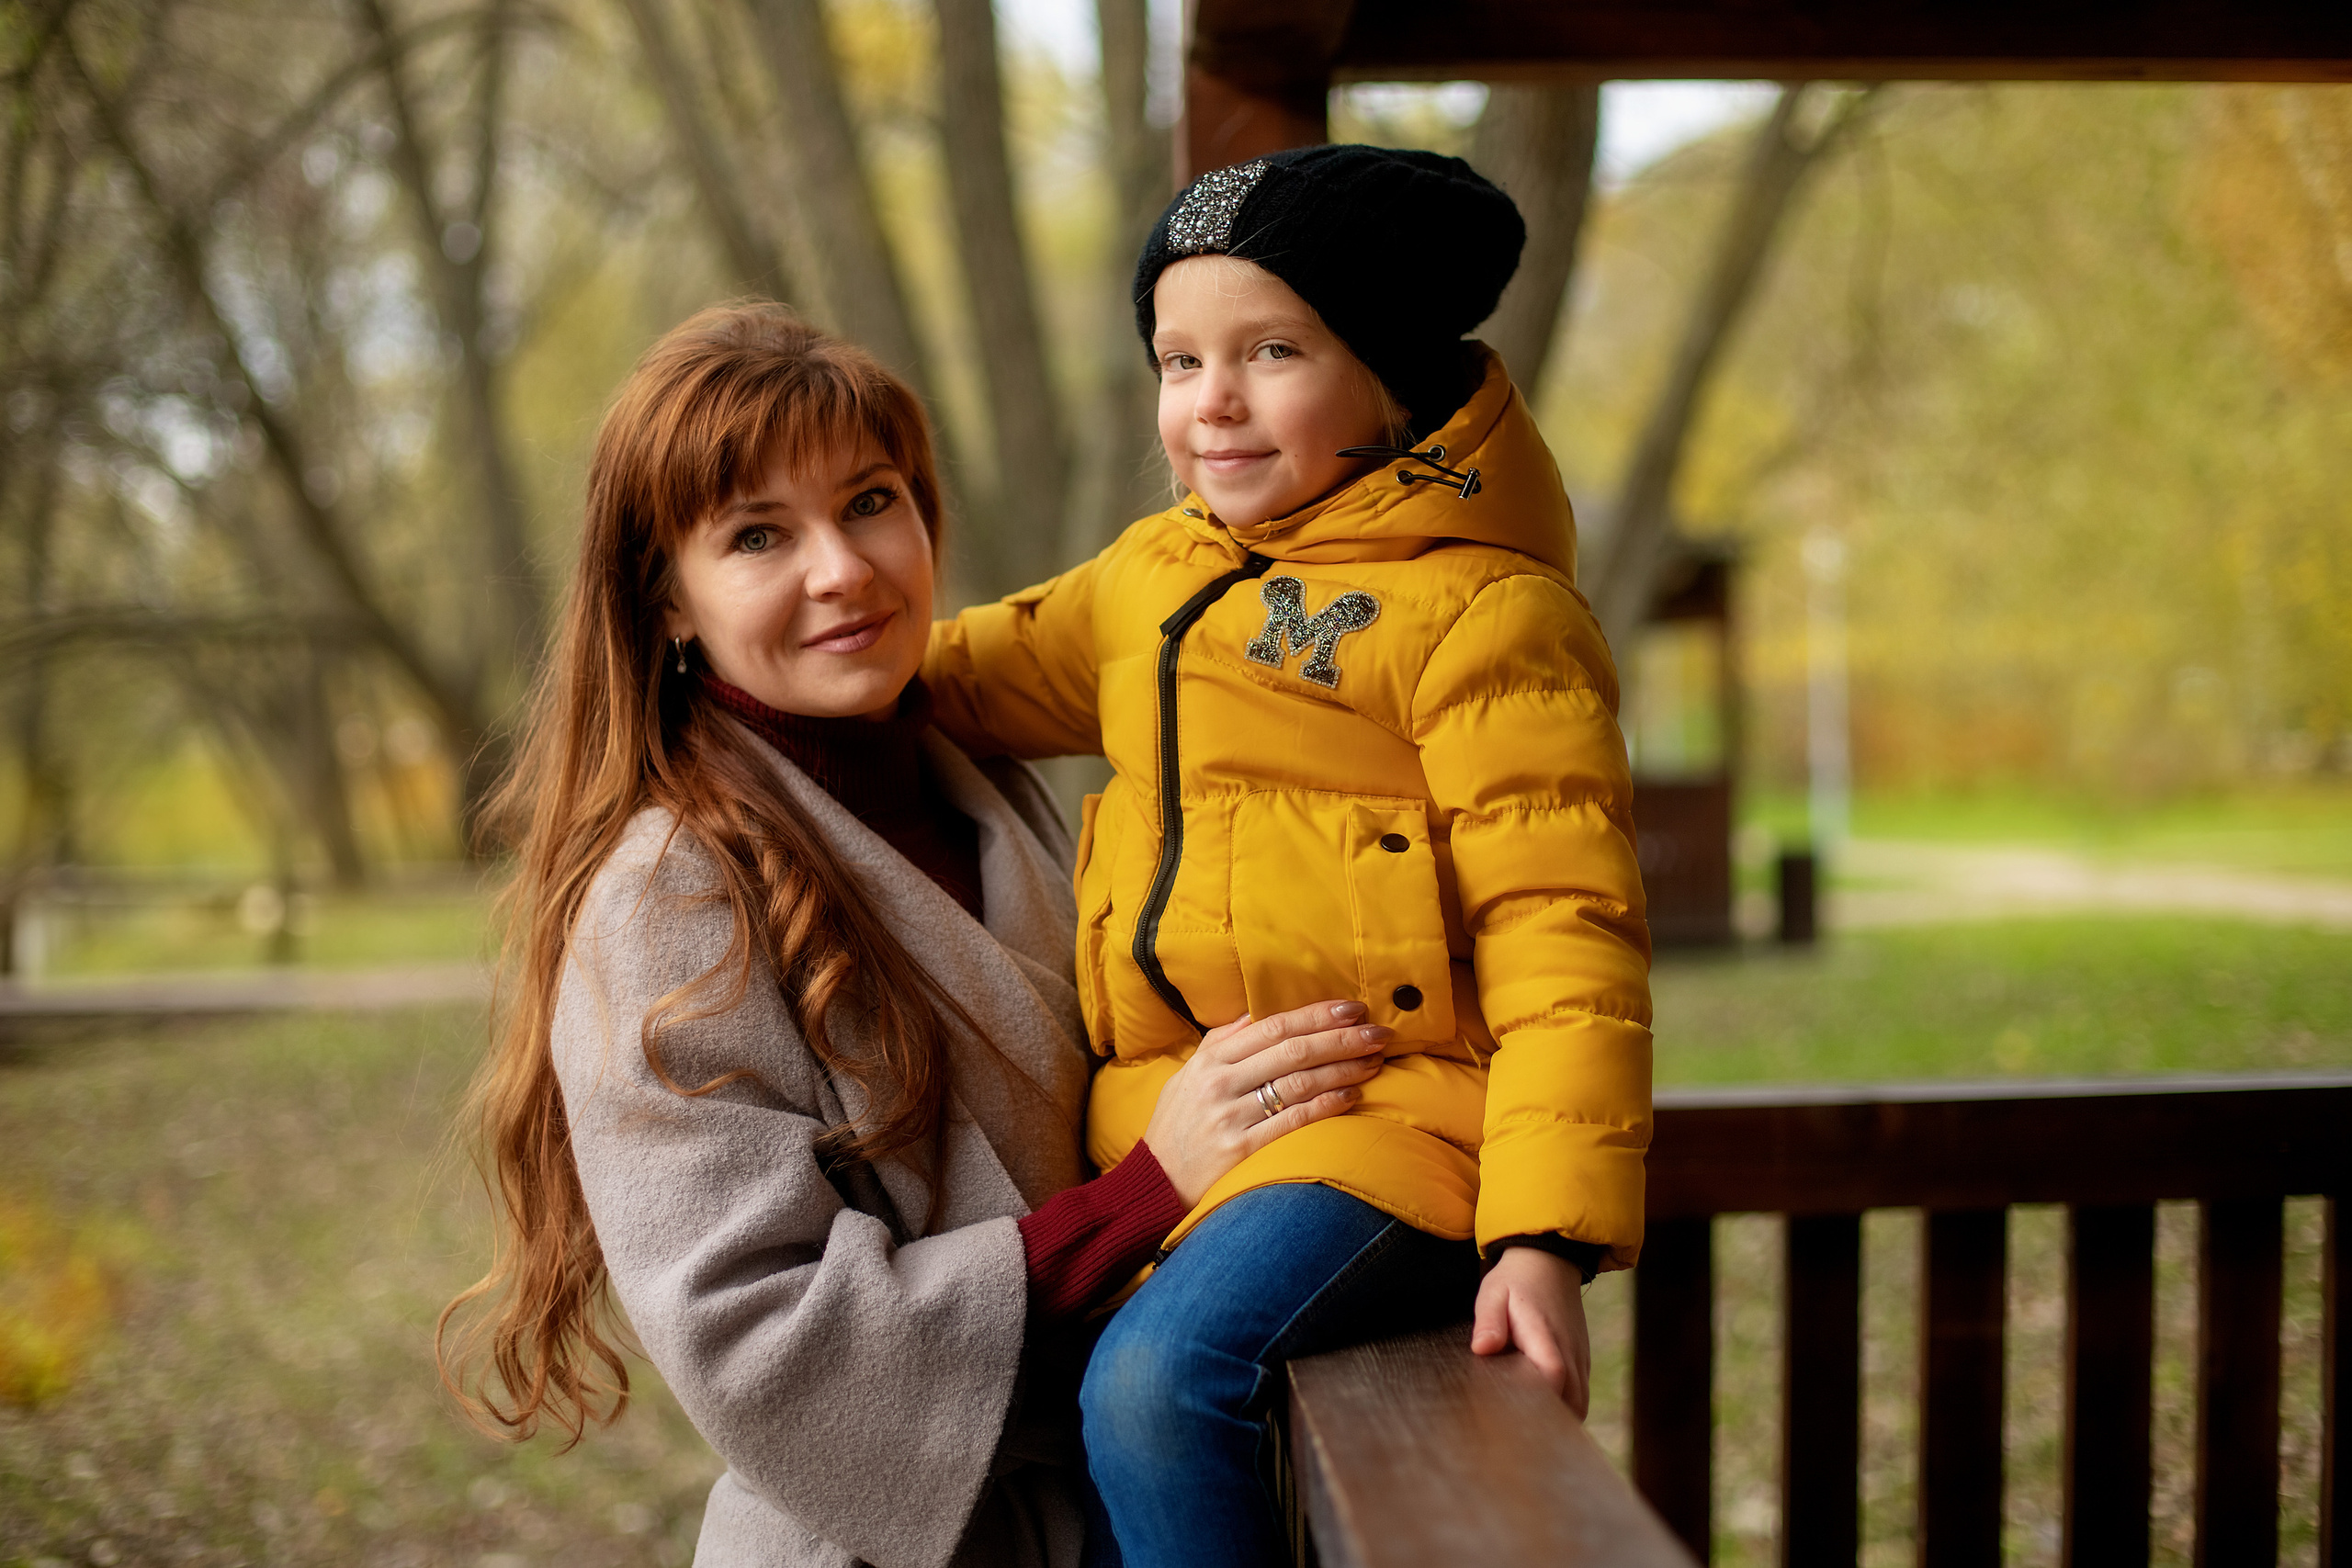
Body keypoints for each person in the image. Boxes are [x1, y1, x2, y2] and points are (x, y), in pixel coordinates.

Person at [436, 304, 1391, 1568]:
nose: (842, 569)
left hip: (1129, 1495)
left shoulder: (989, 786)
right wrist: (1147, 1192)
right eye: (759, 535)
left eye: (870, 502)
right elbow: (764, 1348)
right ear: (667, 600)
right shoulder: (666, 896)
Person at [923, 145, 1655, 1567]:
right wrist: (739, 670)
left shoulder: (1484, 619)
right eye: (1179, 358)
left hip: (1395, 1129)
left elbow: (1566, 942)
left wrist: (1544, 1241)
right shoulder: (1148, 582)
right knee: (1089, 1405)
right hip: (1184, 1136)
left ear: (1388, 377)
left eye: (1273, 349)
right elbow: (946, 682)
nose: (1213, 399)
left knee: (1155, 1385)